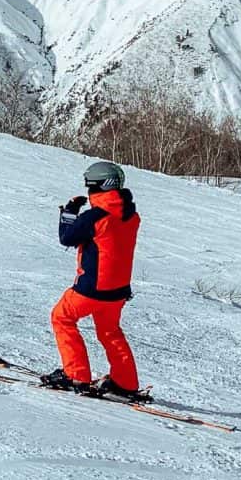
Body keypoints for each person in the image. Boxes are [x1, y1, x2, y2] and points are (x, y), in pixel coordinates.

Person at [42, 160, 147, 401]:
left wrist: (69, 212)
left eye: (91, 186)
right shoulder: (131, 217)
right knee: (110, 331)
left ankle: (76, 375)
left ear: (99, 186)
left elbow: (67, 238)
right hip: (118, 291)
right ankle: (125, 383)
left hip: (91, 288)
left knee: (61, 318)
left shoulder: (95, 217)